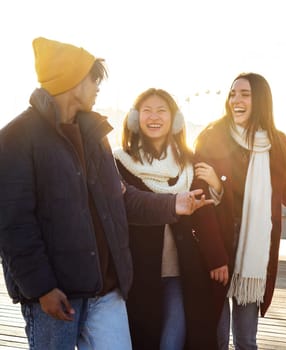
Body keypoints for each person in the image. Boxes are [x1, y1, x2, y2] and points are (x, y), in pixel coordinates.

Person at [0, 37, 212, 350]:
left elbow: (120, 199)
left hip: (106, 289)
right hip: (56, 295)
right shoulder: (16, 138)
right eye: (93, 78)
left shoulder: (96, 137)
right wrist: (42, 288)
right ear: (71, 80)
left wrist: (173, 204)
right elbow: (14, 224)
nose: (98, 87)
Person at [193, 72, 286, 349]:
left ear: (260, 100)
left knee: (247, 340)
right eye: (233, 93)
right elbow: (202, 204)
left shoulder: (274, 145)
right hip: (218, 246)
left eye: (245, 94)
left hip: (254, 253)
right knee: (216, 339)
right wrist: (214, 256)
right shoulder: (212, 138)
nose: (236, 100)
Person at [114, 88, 228, 349]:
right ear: (134, 119)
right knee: (143, 338)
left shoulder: (189, 162)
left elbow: (204, 210)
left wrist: (217, 257)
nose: (154, 117)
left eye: (161, 111)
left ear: (175, 119)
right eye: (147, 111)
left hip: (181, 269)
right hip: (137, 273)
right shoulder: (119, 162)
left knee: (173, 340)